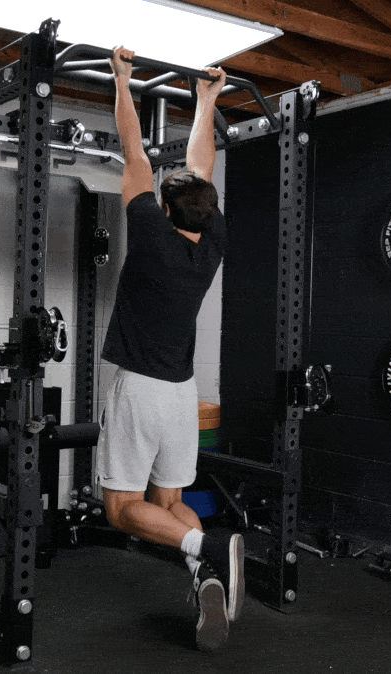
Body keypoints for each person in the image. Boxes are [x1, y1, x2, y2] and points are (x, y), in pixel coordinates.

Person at [96, 46, 243, 652]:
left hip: (141, 391)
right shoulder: (212, 243)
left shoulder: (152, 234)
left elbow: (134, 149)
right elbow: (200, 166)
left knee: (123, 510)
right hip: (182, 393)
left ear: (162, 207)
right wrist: (208, 100)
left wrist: (122, 81)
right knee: (170, 501)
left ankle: (203, 546)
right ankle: (206, 568)